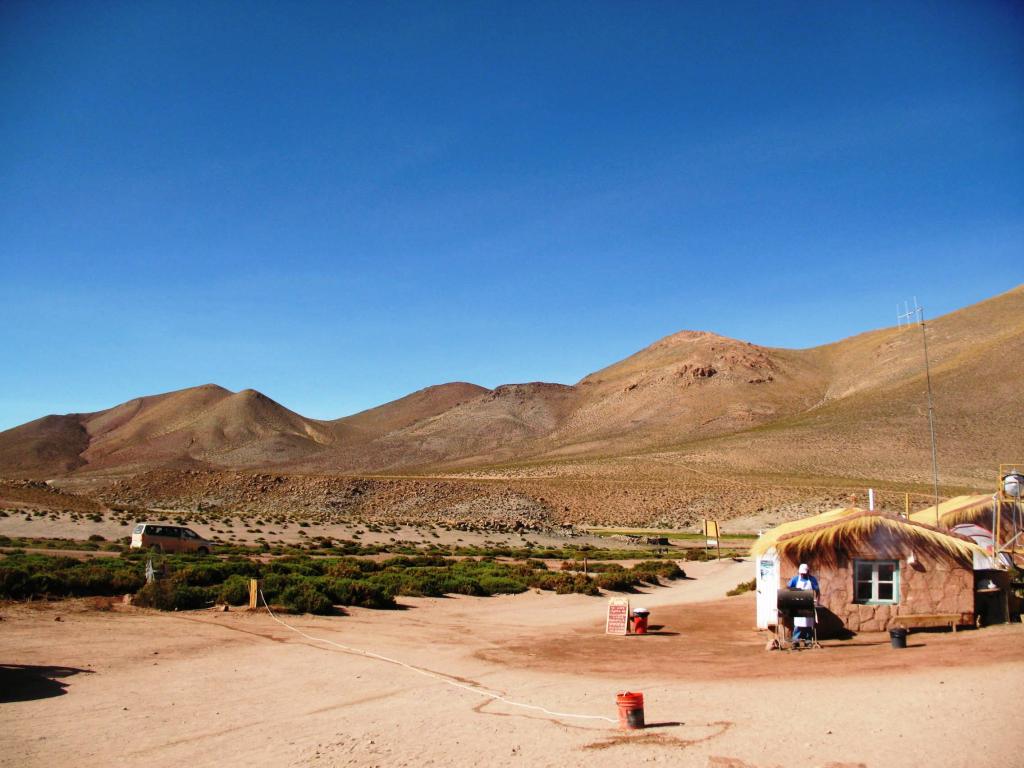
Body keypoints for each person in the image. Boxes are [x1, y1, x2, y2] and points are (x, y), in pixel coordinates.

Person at [787, 563, 820, 647]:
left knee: (808, 624)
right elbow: (788, 588)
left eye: (804, 573)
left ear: (808, 572)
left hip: (808, 604)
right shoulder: (795, 579)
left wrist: (817, 601)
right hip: (798, 604)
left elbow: (817, 591)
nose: (802, 575)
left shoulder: (812, 580)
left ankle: (808, 641)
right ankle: (795, 641)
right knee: (798, 624)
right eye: (801, 573)